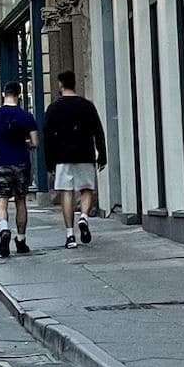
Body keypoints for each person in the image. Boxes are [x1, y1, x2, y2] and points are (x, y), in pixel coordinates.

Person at [43, 70, 108, 249]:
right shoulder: (87, 106)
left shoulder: (54, 108)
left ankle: (70, 235)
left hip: (63, 156)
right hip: (85, 154)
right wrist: (102, 154)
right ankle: (84, 217)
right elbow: (98, 131)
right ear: (74, 84)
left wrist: (49, 162)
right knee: (87, 190)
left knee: (67, 192)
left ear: (60, 85)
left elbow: (47, 136)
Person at [0, 82, 39, 258]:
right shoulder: (26, 116)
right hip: (21, 163)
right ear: (19, 95)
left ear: (4, 94)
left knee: (1, 200)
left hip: (0, 164)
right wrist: (24, 143)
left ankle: (4, 229)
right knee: (21, 201)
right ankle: (21, 241)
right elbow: (35, 142)